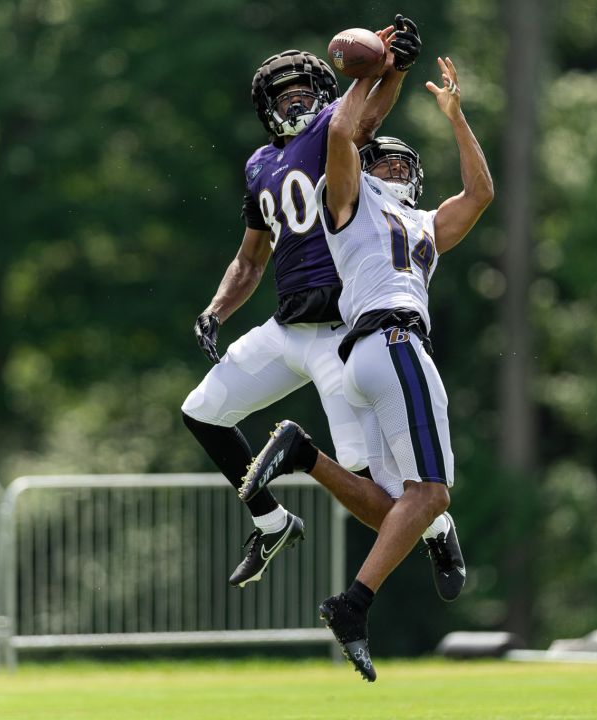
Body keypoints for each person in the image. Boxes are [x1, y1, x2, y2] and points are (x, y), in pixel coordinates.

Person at [240, 54, 494, 681]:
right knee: (433, 493)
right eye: (379, 159)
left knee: (399, 513)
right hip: (392, 341)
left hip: (367, 356)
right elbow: (339, 134)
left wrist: (457, 119)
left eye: (400, 163)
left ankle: (304, 456)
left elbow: (481, 193)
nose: (389, 167)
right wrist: (382, 73)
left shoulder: (424, 222)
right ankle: (353, 605)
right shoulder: (346, 199)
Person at [182, 17, 448, 590]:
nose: (297, 102)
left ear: (327, 95)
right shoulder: (258, 166)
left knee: (366, 478)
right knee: (201, 411)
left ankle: (435, 526)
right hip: (288, 326)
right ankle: (271, 521)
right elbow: (251, 259)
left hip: (341, 333)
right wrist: (216, 311)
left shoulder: (335, 129)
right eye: (285, 97)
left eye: (306, 92)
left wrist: (392, 67)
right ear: (266, 107)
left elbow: (368, 117)